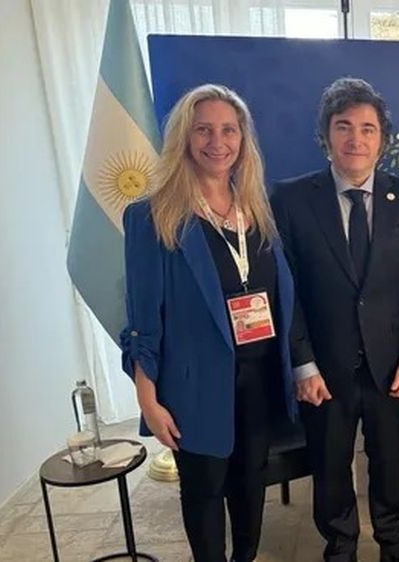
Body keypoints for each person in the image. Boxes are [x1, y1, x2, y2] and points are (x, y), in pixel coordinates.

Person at [121, 84, 312, 562]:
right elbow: (143, 320)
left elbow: (279, 295)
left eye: (229, 130)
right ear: (184, 138)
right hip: (194, 388)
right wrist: (148, 399)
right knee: (204, 493)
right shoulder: (153, 216)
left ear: (243, 139)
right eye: (203, 129)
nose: (217, 141)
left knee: (250, 486)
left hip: (260, 380)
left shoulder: (259, 210)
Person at [270, 78, 399, 562]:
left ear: (382, 138)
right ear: (326, 135)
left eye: (368, 128)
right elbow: (287, 291)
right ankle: (340, 547)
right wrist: (302, 364)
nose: (356, 139)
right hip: (324, 369)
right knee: (330, 465)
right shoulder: (290, 199)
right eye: (344, 127)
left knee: (391, 463)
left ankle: (395, 547)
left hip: (391, 368)